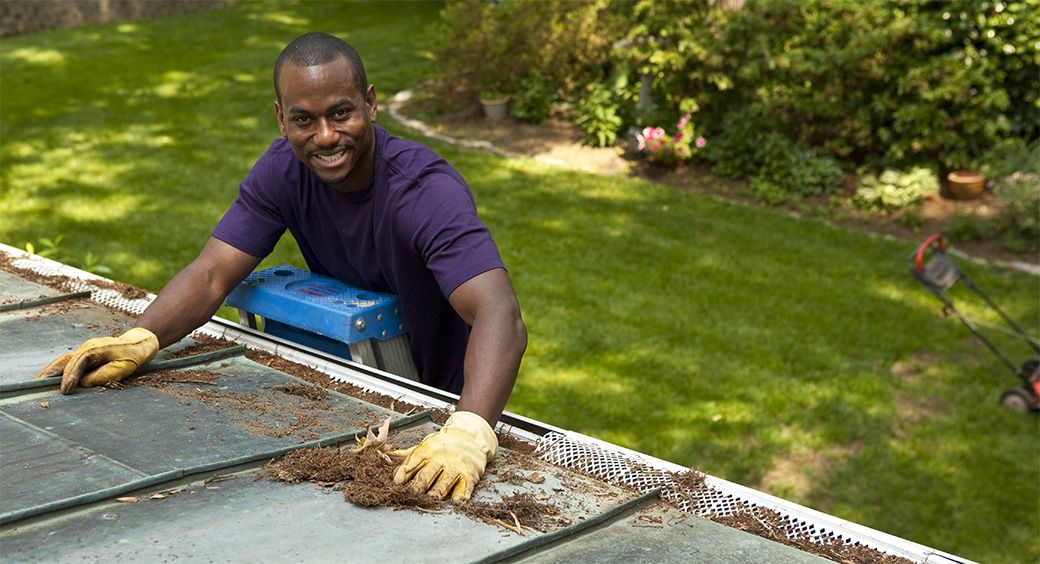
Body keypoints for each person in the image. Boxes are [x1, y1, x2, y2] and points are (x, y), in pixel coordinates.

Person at [35, 32, 527, 503]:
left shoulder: (424, 192)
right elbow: (212, 274)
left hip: (438, 407)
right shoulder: (283, 172)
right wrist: (140, 338)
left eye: (341, 113)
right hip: (352, 389)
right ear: (280, 119)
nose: (326, 136)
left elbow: (498, 313)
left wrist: (468, 433)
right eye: (304, 120)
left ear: (371, 104)